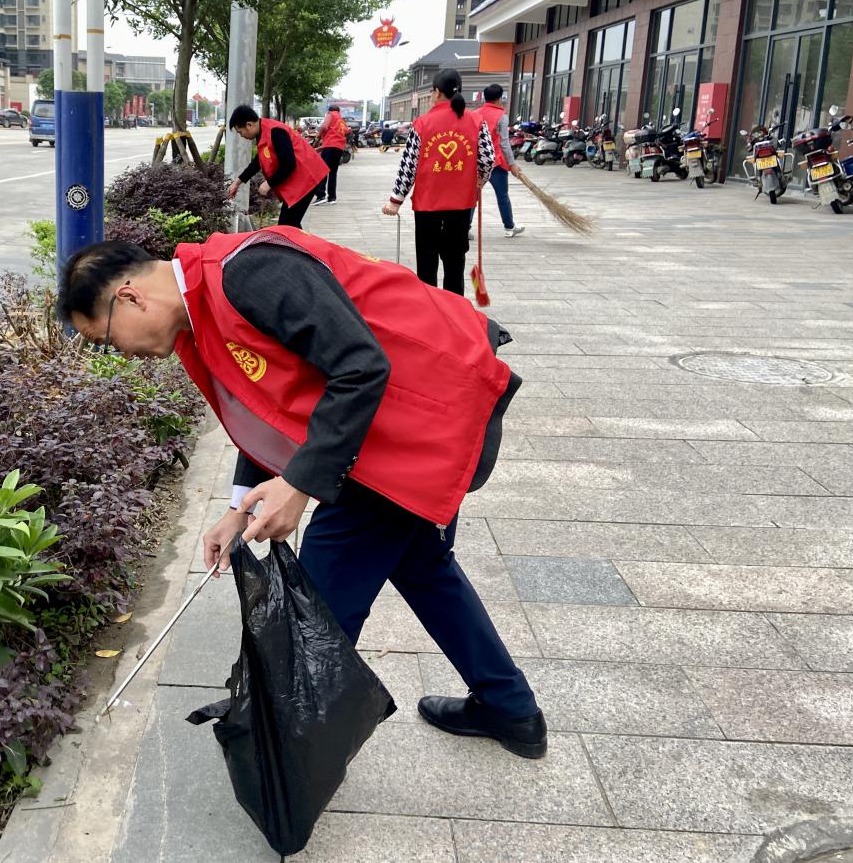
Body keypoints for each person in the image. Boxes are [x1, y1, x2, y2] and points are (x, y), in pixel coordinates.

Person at [57, 231, 546, 759]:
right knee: (423, 567)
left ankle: (288, 765)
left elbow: (361, 365)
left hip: (420, 412)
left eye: (107, 339)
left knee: (315, 608)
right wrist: (237, 507)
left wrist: (299, 485)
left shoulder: (248, 273)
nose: (121, 353)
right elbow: (269, 410)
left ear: (130, 297)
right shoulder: (203, 308)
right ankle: (510, 708)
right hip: (385, 428)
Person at [382, 69, 495, 295]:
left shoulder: (422, 123)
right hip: (461, 204)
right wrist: (479, 181)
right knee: (455, 261)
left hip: (428, 205)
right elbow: (488, 159)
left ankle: (429, 306)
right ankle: (454, 308)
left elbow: (409, 165)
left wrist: (395, 201)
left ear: (436, 92)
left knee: (427, 262)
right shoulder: (476, 120)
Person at [226, 105, 328, 229]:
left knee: (287, 225)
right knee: (290, 225)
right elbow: (258, 162)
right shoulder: (262, 132)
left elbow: (288, 163)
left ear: (249, 125)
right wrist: (237, 182)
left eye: (240, 132)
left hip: (308, 176)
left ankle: (304, 242)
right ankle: (302, 242)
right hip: (300, 179)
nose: (241, 135)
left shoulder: (275, 131)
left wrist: (269, 183)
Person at [476, 84, 524, 239]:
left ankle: (465, 228)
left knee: (473, 196)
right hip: (496, 163)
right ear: (499, 98)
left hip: (479, 163)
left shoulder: (475, 114)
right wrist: (512, 163)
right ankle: (509, 227)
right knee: (502, 196)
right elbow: (504, 143)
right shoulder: (501, 116)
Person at [314, 105, 348, 204]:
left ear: (329, 110)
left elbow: (324, 126)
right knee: (333, 172)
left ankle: (321, 195)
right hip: (339, 148)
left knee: (323, 170)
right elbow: (346, 131)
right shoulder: (341, 120)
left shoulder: (330, 114)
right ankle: (332, 197)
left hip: (330, 146)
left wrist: (319, 136)